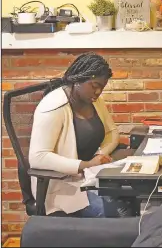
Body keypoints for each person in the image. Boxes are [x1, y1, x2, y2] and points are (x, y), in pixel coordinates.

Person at [29, 52, 119, 217]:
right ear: (78, 79)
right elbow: (38, 157)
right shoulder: (53, 107)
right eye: (94, 85)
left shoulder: (93, 100)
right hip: (63, 188)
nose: (99, 91)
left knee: (129, 198)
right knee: (112, 212)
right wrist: (86, 164)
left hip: (89, 178)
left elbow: (112, 132)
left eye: (102, 86)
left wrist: (101, 155)